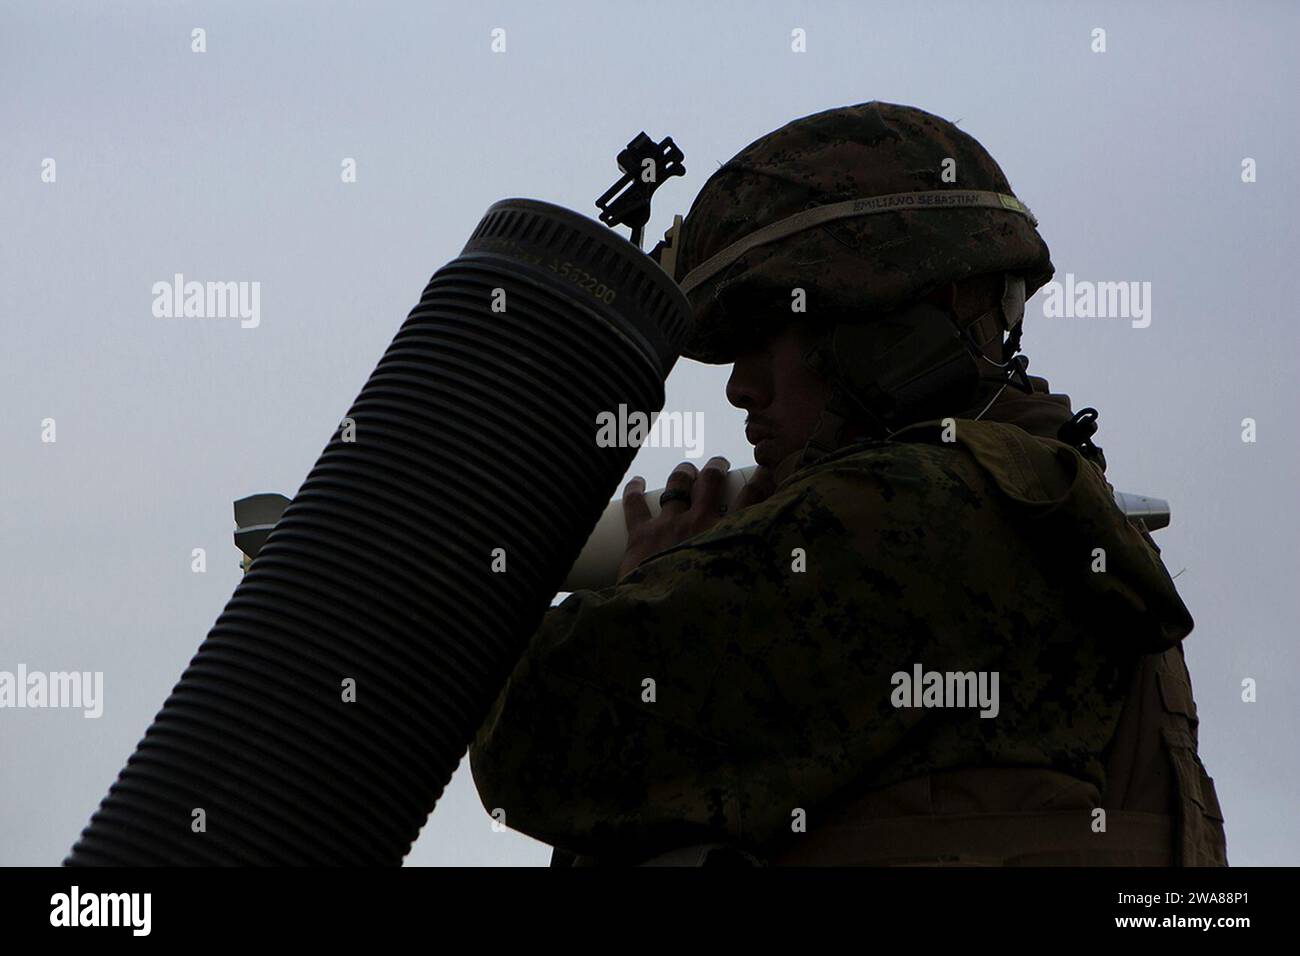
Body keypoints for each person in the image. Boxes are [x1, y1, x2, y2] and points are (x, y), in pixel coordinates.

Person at [469, 101, 1227, 866]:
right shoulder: (1055, 510)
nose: (741, 389)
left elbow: (535, 750)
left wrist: (648, 581)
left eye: (770, 336)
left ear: (883, 327)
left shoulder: (912, 506)